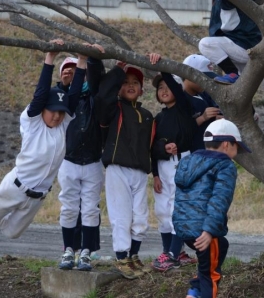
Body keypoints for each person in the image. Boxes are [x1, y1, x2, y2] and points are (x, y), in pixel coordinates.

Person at [0, 47, 86, 239]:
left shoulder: (63, 124)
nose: (57, 116)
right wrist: (49, 58)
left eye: (60, 111)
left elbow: (73, 97)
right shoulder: (33, 123)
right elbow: (41, 93)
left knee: (10, 232)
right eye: (52, 110)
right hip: (15, 187)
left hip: (37, 198)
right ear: (42, 109)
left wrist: (82, 60)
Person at [173, 119, 251, 298]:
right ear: (226, 144)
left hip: (184, 228)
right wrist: (208, 231)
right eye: (236, 146)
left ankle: (194, 291)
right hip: (203, 230)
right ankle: (198, 290)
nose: (236, 151)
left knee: (220, 246)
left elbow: (183, 198)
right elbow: (219, 201)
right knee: (211, 275)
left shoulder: (187, 162)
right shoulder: (225, 165)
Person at [95, 61, 155, 280]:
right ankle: (121, 257)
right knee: (121, 216)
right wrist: (117, 72)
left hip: (140, 171)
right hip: (117, 168)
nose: (130, 85)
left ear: (142, 89)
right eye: (125, 82)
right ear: (118, 87)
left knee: (140, 218)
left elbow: (153, 146)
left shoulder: (147, 115)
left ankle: (133, 256)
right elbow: (102, 97)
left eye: (135, 82)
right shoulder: (114, 109)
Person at [54, 41, 106, 272]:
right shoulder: (58, 98)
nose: (69, 72)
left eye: (74, 69)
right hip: (69, 161)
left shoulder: (92, 96)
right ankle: (68, 250)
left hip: (93, 161)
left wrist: (89, 58)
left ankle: (86, 252)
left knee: (90, 208)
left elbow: (95, 80)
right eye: (65, 69)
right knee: (68, 207)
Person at [147, 53, 199, 271]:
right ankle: (174, 252)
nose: (164, 91)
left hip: (183, 163)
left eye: (167, 86)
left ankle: (171, 254)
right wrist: (156, 174)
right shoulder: (158, 118)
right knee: (162, 210)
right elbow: (151, 147)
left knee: (178, 208)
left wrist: (163, 68)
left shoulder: (184, 109)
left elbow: (176, 89)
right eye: (159, 89)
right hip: (163, 166)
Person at [189, 0, 262, 85]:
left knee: (205, 44)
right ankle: (235, 75)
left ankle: (232, 73)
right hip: (240, 46)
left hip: (243, 45)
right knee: (242, 88)